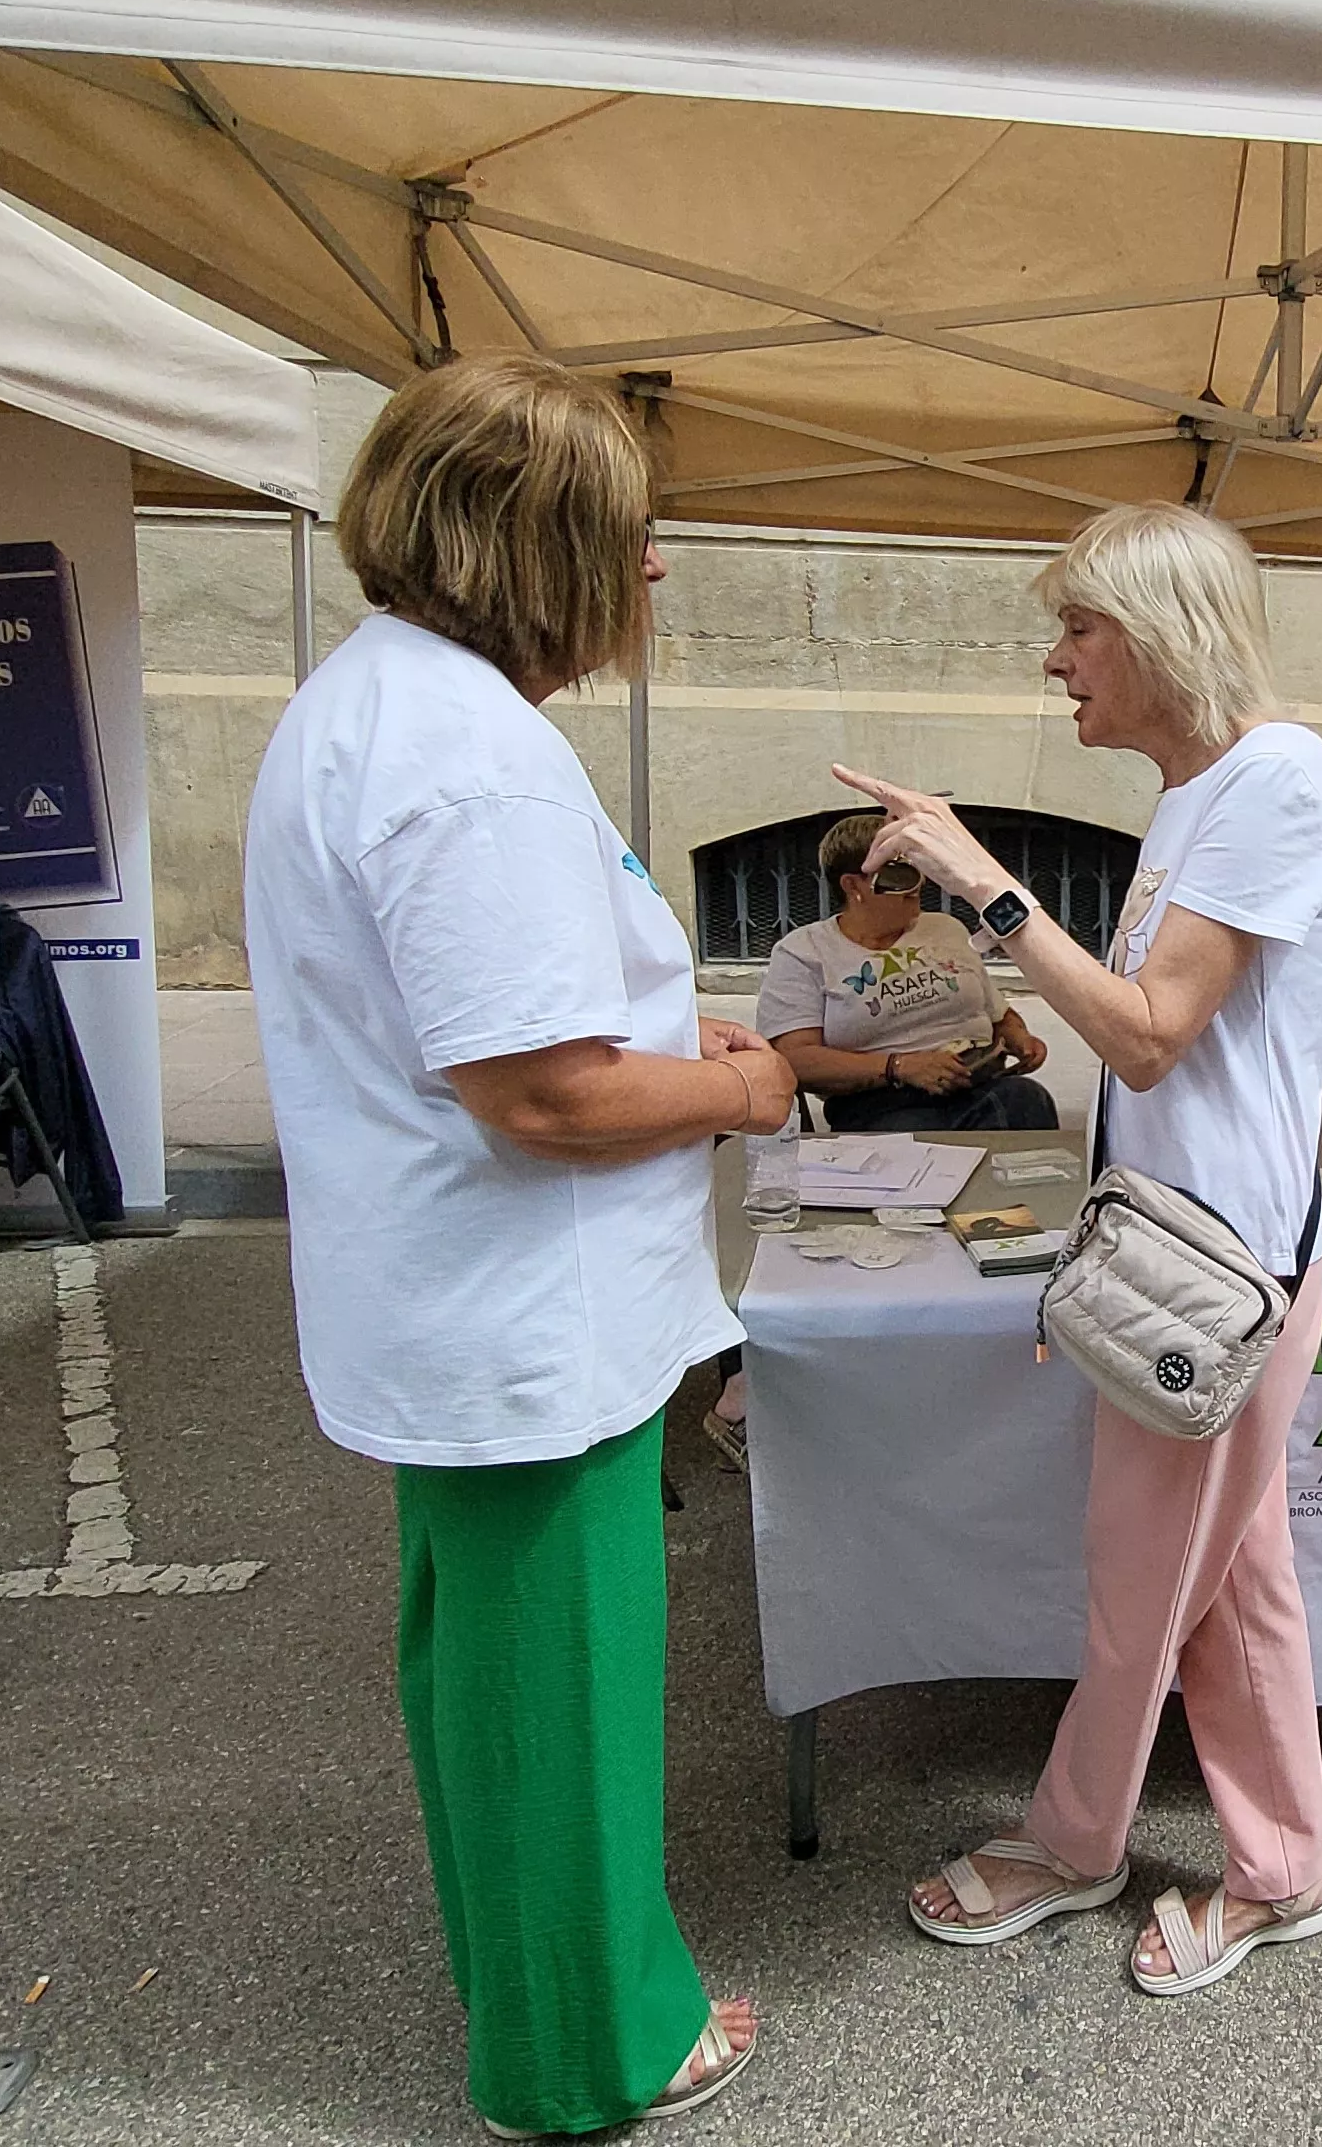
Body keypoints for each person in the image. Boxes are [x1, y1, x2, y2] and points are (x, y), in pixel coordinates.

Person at [242, 353, 786, 2136]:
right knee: (558, 1700)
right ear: (534, 542)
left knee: (496, 1688)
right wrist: (742, 1089)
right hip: (522, 1322)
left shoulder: (386, 706)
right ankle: (587, 2053)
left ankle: (545, 1993)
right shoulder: (470, 756)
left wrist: (663, 1050)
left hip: (466, 1311)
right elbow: (543, 1098)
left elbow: (510, 1037)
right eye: (627, 541)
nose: (648, 577)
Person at [842, 502, 1322, 1994]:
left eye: (1078, 628)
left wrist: (986, 886)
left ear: (1159, 633)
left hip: (1223, 1275)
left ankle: (1075, 1845)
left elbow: (1145, 1041)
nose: (1056, 661)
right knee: (1231, 1577)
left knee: (1144, 1584)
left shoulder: (1275, 781)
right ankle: (1282, 1870)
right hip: (1189, 1262)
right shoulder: (1208, 790)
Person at [755, 812, 1058, 1132]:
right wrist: (898, 1067)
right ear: (852, 885)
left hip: (976, 1079)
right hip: (880, 1099)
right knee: (924, 1141)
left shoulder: (945, 929)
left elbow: (998, 1014)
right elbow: (796, 1059)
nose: (918, 886)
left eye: (920, 867)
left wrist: (1019, 1037)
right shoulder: (804, 952)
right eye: (898, 874)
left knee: (1027, 1101)